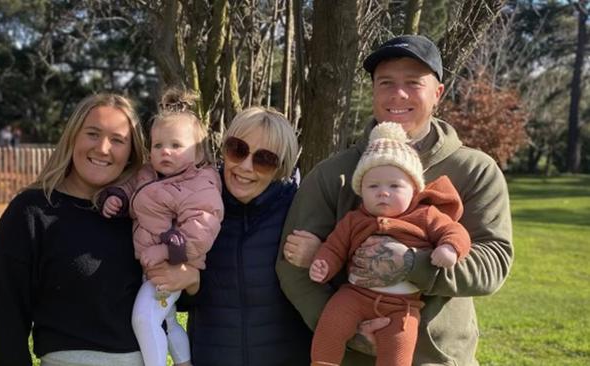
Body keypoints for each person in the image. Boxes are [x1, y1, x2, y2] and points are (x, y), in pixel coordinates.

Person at [276, 34, 513, 365]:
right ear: (373, 90)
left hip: (439, 358)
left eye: (413, 82)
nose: (398, 94)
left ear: (437, 94)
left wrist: (412, 264)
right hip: (349, 356)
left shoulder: (475, 171)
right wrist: (347, 329)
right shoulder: (333, 174)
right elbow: (293, 267)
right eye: (386, 82)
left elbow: (493, 262)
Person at [0, 93, 148, 366]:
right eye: (93, 134)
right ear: (72, 137)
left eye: (118, 140)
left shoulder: (141, 212)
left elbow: (181, 296)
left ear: (131, 152)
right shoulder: (31, 212)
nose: (103, 148)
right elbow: (5, 318)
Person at [147, 107, 313, 366]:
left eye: (264, 159)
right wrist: (191, 283)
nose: (245, 166)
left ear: (281, 167)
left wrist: (319, 254)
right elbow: (176, 300)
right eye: (238, 149)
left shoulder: (301, 211)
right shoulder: (192, 206)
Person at [308, 122, 471, 366]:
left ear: (414, 190)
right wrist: (324, 264)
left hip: (402, 306)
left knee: (400, 347)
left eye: (395, 186)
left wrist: (449, 248)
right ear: (361, 190)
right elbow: (334, 247)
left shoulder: (426, 216)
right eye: (373, 186)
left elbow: (455, 231)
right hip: (355, 295)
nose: (383, 192)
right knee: (332, 322)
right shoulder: (355, 220)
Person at [99, 88, 224, 366]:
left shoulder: (198, 185)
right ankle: (183, 362)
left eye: (176, 146)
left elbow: (202, 230)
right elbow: (130, 186)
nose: (165, 151)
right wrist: (117, 197)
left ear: (198, 151)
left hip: (171, 268)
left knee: (144, 318)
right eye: (158, 146)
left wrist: (166, 250)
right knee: (166, 322)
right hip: (151, 267)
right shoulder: (149, 173)